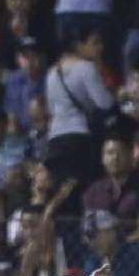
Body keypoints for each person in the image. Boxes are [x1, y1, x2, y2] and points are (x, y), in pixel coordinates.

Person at [45, 24, 115, 191]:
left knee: (61, 191)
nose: (101, 47)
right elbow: (104, 103)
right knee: (83, 190)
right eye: (95, 43)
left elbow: (51, 108)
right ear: (79, 45)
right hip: (79, 139)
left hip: (55, 140)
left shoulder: (52, 72)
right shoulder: (86, 68)